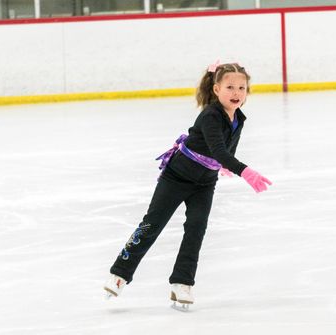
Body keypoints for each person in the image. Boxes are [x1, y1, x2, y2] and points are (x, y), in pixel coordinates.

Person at [103, 61, 272, 306]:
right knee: (152, 225)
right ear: (216, 90)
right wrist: (243, 171)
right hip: (177, 177)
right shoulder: (211, 116)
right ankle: (119, 274)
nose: (236, 93)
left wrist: (223, 166)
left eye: (242, 88)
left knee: (196, 230)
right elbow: (220, 151)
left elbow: (226, 150)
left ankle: (182, 283)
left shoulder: (239, 118)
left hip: (205, 183)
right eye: (230, 87)